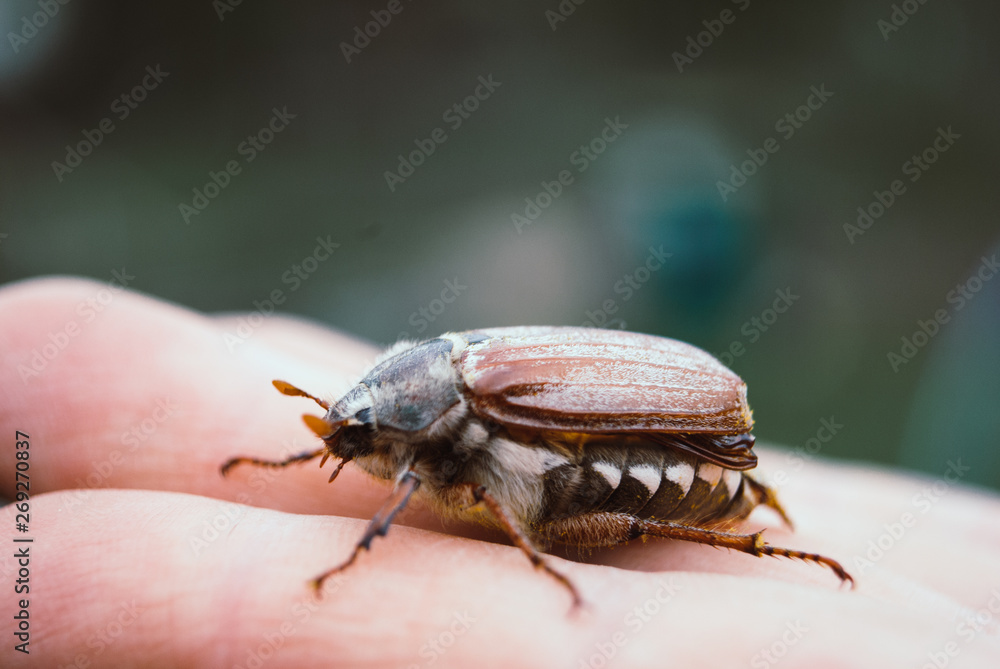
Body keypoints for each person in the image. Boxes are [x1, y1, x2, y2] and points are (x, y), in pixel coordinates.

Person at [2, 277, 999, 668]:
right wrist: (311, 446)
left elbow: (434, 474)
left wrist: (367, 545)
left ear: (413, 413)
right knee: (566, 500)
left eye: (356, 434)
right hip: (641, 435)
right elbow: (384, 443)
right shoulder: (431, 394)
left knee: (608, 511)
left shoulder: (473, 406)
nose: (350, 449)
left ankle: (744, 542)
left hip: (671, 449)